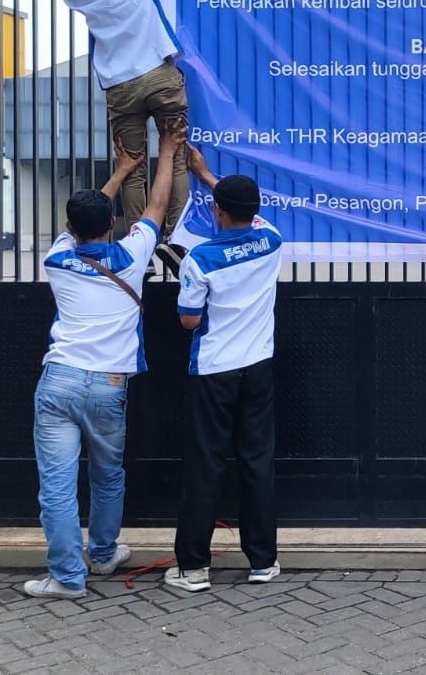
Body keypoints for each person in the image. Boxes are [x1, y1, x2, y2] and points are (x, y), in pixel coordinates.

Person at [24, 120, 187, 599]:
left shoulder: (57, 258)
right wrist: (165, 149)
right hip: (109, 385)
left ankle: (66, 578)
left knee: (57, 486)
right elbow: (157, 206)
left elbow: (84, 219)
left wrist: (117, 173)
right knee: (108, 474)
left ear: (70, 229)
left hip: (59, 381)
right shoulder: (132, 256)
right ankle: (102, 554)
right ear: (112, 224)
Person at [48, 0, 187, 267]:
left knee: (132, 166)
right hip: (158, 72)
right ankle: (176, 239)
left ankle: (139, 245)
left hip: (119, 85)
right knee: (175, 154)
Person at [165, 148, 285, 592]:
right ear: (254, 210)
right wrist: (210, 177)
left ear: (217, 211)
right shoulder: (271, 240)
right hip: (257, 367)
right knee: (257, 462)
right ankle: (263, 561)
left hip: (213, 370)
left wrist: (200, 174)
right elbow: (245, 211)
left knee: (205, 465)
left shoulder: (200, 259)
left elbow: (189, 321)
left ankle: (194, 568)